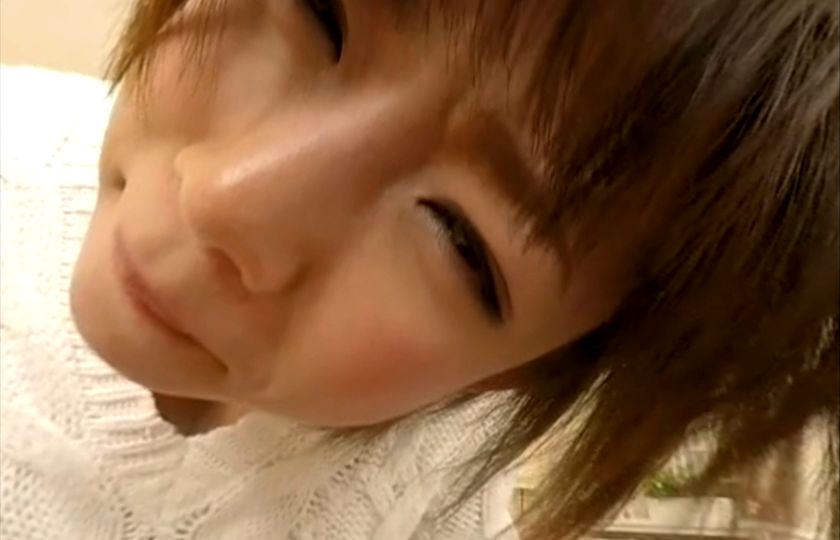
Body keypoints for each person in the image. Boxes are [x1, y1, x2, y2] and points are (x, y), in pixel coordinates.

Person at [0, 1, 837, 539]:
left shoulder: (435, 506)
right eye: (320, 13)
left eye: (458, 238)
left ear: (529, 367)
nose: (227, 199)